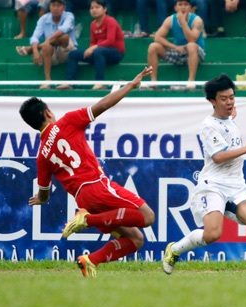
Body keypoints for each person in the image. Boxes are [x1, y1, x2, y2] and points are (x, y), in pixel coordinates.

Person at [20, 67, 155, 278]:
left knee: (136, 239)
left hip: (84, 199)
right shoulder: (67, 121)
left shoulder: (42, 156)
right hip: (97, 186)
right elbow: (103, 104)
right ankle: (87, 220)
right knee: (147, 217)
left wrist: (39, 198)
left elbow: (45, 195)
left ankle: (91, 260)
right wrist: (131, 85)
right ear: (48, 113)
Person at [162, 74, 246, 277]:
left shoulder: (228, 116)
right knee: (213, 234)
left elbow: (229, 117)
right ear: (212, 101)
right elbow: (218, 156)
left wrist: (231, 112)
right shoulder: (208, 126)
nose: (229, 102)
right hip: (213, 186)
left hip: (236, 186)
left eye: (231, 97)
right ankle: (174, 250)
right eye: (223, 98)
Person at [57, 0, 125, 90]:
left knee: (98, 51)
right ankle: (70, 82)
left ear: (105, 9)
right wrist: (90, 49)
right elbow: (93, 41)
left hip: (115, 53)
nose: (94, 10)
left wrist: (93, 48)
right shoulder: (93, 24)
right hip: (99, 53)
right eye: (92, 8)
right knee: (73, 54)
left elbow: (110, 41)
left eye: (97, 7)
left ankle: (100, 82)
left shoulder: (110, 21)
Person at [15, 0, 77, 89]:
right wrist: (36, 52)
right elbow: (35, 36)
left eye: (58, 5)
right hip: (52, 55)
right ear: (49, 7)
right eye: (53, 5)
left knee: (64, 36)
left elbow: (64, 29)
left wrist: (45, 42)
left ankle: (32, 48)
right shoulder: (43, 18)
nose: (56, 8)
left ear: (64, 7)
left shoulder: (69, 16)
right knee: (46, 46)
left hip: (68, 52)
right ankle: (48, 81)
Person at [146, 0, 206, 89]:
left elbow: (192, 39)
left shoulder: (197, 20)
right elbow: (158, 37)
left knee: (191, 45)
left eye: (186, 4)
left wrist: (183, 22)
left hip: (196, 54)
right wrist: (175, 47)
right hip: (179, 52)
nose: (183, 7)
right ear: (175, 8)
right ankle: (153, 81)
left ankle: (191, 81)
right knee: (153, 46)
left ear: (190, 7)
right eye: (180, 4)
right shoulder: (170, 19)